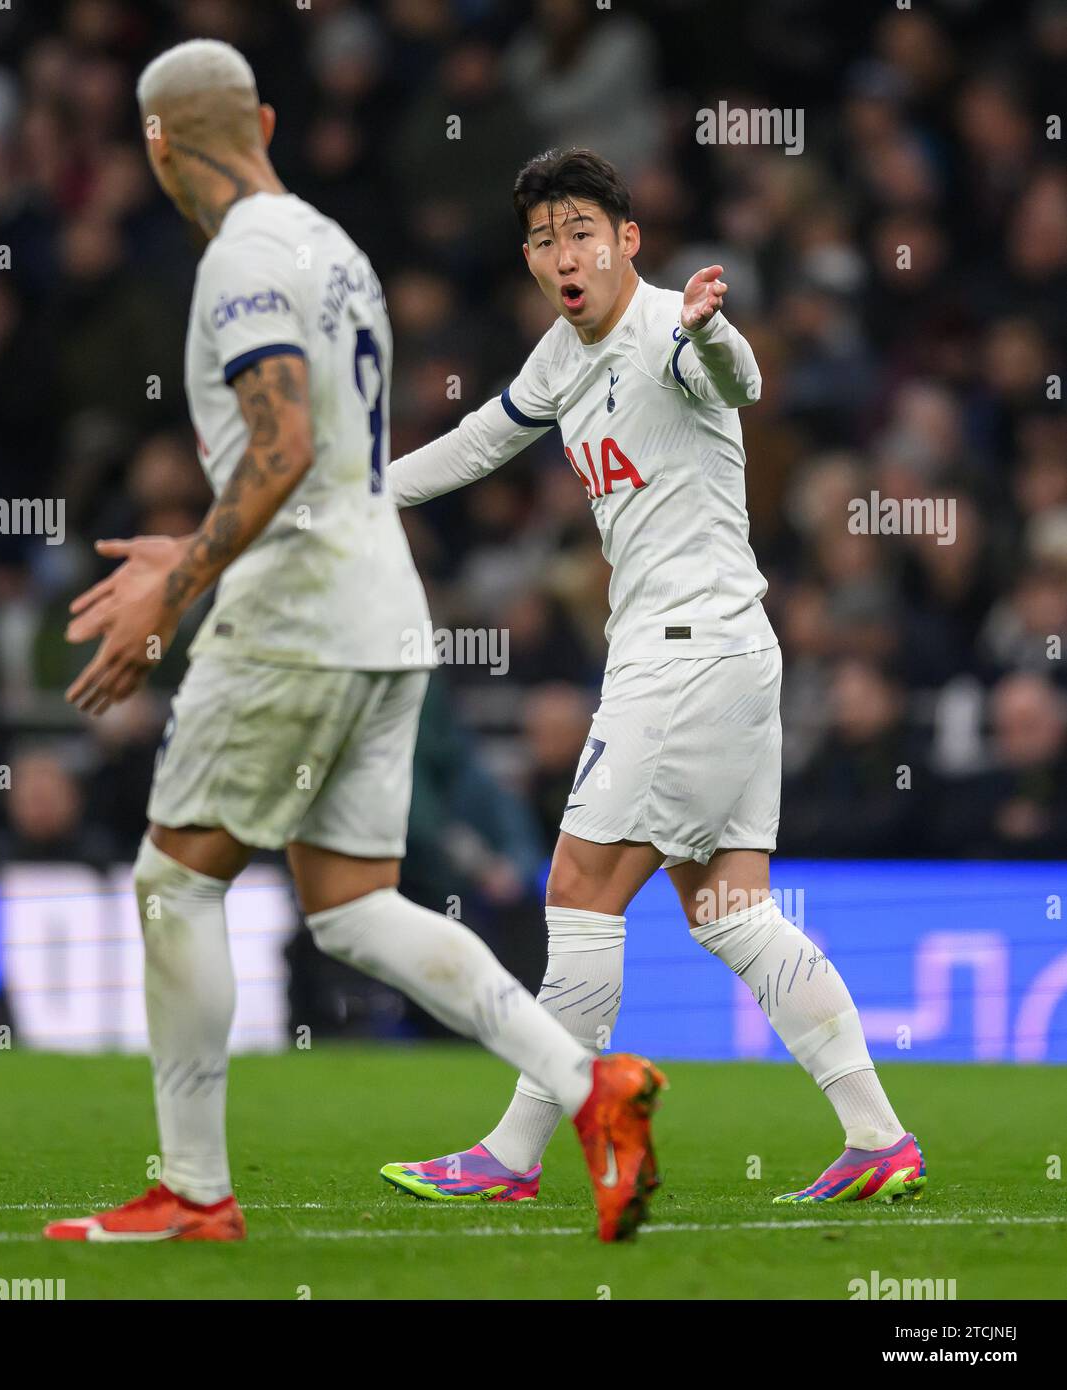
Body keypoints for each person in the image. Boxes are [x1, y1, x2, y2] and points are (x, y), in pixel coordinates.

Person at [44, 43, 662, 1246]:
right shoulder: (334, 247)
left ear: (158, 144)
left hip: (294, 616)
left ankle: (194, 1190)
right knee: (349, 904)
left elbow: (276, 448)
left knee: (176, 880)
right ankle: (593, 1089)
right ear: (266, 119)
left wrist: (178, 582)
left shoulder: (240, 261)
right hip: (384, 606)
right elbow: (319, 449)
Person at [380, 148, 925, 1207]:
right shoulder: (558, 354)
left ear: (626, 239)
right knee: (729, 911)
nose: (562, 253)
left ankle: (512, 1153)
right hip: (720, 652)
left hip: (684, 653)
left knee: (579, 888)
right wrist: (356, 497)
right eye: (542, 239)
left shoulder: (673, 326)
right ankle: (877, 1136)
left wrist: (708, 329)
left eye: (581, 229)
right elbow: (479, 440)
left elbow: (735, 380)